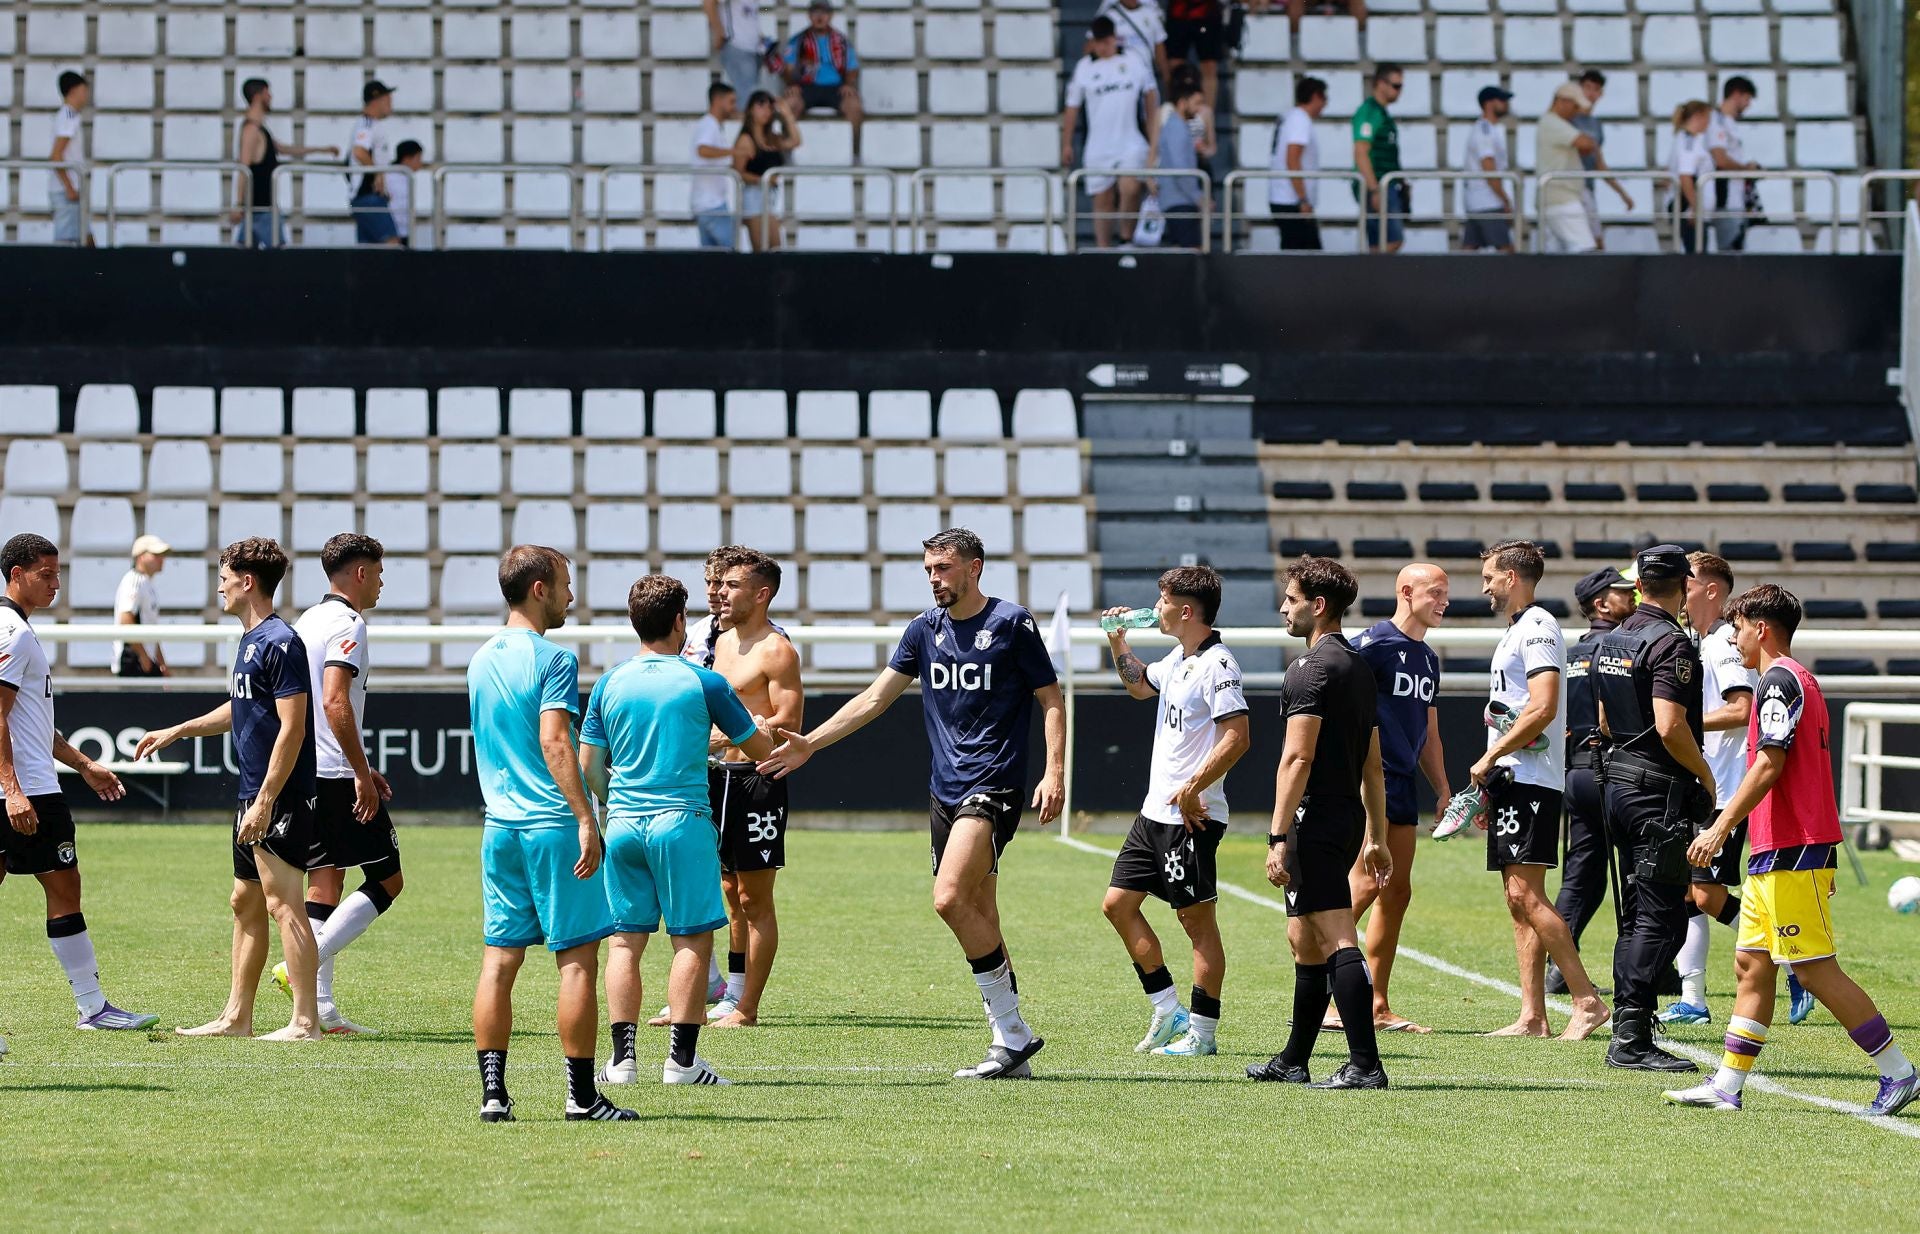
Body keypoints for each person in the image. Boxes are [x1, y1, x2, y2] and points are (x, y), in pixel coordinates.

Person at [758, 529, 1066, 1080]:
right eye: (928, 568)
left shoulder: (1012, 623)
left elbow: (1050, 698)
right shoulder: (924, 631)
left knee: (948, 898)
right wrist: (811, 744)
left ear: (975, 568)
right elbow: (874, 699)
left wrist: (1055, 770)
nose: (933, 577)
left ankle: (1013, 1031)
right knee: (980, 910)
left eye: (944, 567)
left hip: (993, 783)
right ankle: (1008, 1038)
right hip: (943, 788)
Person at [1665, 585, 1920, 1116]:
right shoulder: (1786, 680)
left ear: (1761, 626)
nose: (1733, 638)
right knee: (1751, 966)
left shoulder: (1780, 680)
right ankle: (1728, 1087)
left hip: (1795, 848)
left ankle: (1899, 1072)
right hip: (1774, 848)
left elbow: (1769, 762)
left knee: (1813, 970)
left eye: (1738, 627)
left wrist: (1719, 827)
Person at [582, 575, 779, 1087]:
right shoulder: (705, 681)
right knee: (691, 940)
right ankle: (682, 1063)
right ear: (678, 622)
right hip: (681, 821)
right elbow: (757, 752)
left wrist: (613, 801)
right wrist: (743, 735)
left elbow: (589, 764)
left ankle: (622, 1062)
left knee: (624, 944)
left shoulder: (610, 682)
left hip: (623, 822)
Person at [462, 545, 632, 1122]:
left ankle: (493, 1095)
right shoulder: (552, 660)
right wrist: (587, 818)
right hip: (552, 828)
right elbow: (555, 742)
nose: (571, 596)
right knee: (578, 962)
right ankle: (582, 1097)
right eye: (565, 584)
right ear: (539, 589)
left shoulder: (479, 659)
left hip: (499, 829)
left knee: (499, 962)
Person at [134, 538, 323, 1042]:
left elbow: (293, 727)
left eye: (224, 578)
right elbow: (241, 708)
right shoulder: (250, 639)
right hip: (252, 791)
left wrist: (264, 800)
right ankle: (237, 1018)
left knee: (285, 904)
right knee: (245, 901)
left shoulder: (282, 641)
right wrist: (179, 729)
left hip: (276, 794)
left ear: (248, 581)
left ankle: (306, 1022)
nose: (218, 586)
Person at [1244, 556, 1391, 1090]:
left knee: (1334, 938)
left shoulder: (1309, 669)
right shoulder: (1358, 667)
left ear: (1318, 605)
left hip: (1317, 820)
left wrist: (1279, 835)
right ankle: (1294, 1059)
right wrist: (1375, 835)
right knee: (1303, 940)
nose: (1285, 608)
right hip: (1346, 817)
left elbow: (1296, 759)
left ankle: (1366, 1066)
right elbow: (1373, 763)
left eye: (1291, 599)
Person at [0, 533, 155, 1033]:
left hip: (24, 785)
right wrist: (14, 789)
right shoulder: (12, 632)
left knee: (61, 887)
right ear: (16, 574)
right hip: (27, 793)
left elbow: (31, 724)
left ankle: (94, 1007)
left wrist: (85, 764)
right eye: (46, 574)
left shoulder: (17, 629)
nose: (56, 583)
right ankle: (93, 1007)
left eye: (58, 572)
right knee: (65, 887)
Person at [1100, 567, 1250, 1059]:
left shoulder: (1219, 664)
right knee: (1118, 905)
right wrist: (1118, 642)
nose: (1156, 606)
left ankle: (1202, 1035)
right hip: (1154, 814)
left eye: (1162, 599)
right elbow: (1141, 686)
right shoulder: (1179, 658)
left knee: (1196, 923)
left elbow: (1238, 737)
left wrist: (1192, 789)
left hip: (1193, 817)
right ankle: (1168, 1009)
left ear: (1186, 611)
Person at [1661, 552, 1815, 1027]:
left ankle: (1790, 962)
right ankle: (1693, 997)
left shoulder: (1726, 647)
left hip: (1726, 787)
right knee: (1690, 894)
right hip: (1705, 784)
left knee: (1705, 894)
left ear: (1710, 589)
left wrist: (1680, 725)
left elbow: (1741, 708)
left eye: (1686, 583)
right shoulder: (1705, 640)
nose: (1679, 592)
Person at [1472, 540, 1611, 1040]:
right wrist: (1494, 775)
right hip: (1514, 778)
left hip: (1532, 779)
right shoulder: (1517, 630)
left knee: (1526, 894)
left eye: (1489, 575)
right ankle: (1532, 1015)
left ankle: (1587, 999)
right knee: (1517, 897)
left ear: (1511, 576)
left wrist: (1490, 755)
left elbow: (1544, 705)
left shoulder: (1537, 627)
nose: (1484, 585)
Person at [273, 534, 400, 1037]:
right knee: (389, 880)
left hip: (308, 769)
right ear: (361, 573)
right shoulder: (349, 623)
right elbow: (334, 701)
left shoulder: (306, 620)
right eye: (380, 571)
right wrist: (360, 771)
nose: (383, 582)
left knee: (326, 882)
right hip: (334, 774)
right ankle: (302, 966)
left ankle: (320, 1008)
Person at [1594, 544, 1713, 1073]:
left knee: (1634, 911)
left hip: (1615, 784)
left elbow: (1602, 720)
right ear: (1684, 586)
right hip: (1656, 791)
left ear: (1640, 583)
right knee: (1661, 918)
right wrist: (1705, 775)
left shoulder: (1611, 639)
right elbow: (1669, 724)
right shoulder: (1672, 643)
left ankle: (1629, 1025)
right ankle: (1632, 1035)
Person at [1343, 563, 1450, 1034]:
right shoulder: (1371, 646)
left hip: (1403, 782)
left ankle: (1376, 1004)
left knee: (1396, 891)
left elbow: (1427, 728)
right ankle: (1319, 982)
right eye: (1436, 592)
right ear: (1406, 592)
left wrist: (1443, 787)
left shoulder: (1427, 657)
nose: (1445, 600)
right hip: (1372, 780)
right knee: (1367, 884)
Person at [1544, 567, 1639, 995]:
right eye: (1623, 593)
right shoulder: (1619, 649)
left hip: (1575, 773)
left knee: (1583, 874)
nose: (1633, 597)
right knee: (1636, 869)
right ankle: (1644, 968)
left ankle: (1558, 965)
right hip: (1614, 772)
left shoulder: (1570, 654)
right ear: (1601, 603)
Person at [1063, 17, 1160, 250]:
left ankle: (1126, 239)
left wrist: (1153, 139)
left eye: (1107, 41)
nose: (1103, 47)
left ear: (1114, 38)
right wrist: (1066, 143)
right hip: (1098, 144)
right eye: (1099, 43)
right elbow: (1072, 108)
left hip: (1130, 140)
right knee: (1102, 198)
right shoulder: (1085, 67)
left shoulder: (1134, 60)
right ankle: (1103, 248)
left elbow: (1150, 96)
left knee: (1131, 187)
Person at [233, 78, 338, 250]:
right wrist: (237, 205)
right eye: (268, 93)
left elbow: (283, 148)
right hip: (261, 209)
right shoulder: (251, 129)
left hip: (259, 209)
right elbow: (244, 168)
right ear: (258, 96)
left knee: (246, 258)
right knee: (278, 257)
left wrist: (321, 149)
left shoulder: (259, 128)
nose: (271, 97)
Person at [782, 1, 862, 156]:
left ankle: (854, 151)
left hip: (836, 87)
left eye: (823, 13)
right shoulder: (798, 41)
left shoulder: (842, 41)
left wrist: (848, 84)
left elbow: (852, 69)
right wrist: (791, 84)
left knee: (855, 106)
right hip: (806, 87)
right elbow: (788, 69)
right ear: (809, 16)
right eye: (815, 13)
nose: (819, 17)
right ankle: (786, 152)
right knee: (789, 105)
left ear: (830, 16)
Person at [1572, 70, 1634, 250]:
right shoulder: (1567, 119)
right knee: (1589, 244)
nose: (1590, 93)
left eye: (1595, 89)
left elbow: (1599, 163)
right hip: (1570, 187)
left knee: (1596, 244)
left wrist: (1621, 192)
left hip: (1587, 189)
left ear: (1601, 94)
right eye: (1587, 87)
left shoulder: (1595, 125)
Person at [733, 91, 801, 253]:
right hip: (754, 196)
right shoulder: (746, 139)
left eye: (770, 108)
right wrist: (762, 180)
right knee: (761, 250)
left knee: (776, 249)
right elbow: (737, 172)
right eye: (760, 106)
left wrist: (787, 114)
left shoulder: (772, 138)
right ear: (750, 109)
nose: (766, 111)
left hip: (770, 197)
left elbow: (795, 141)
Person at [1538, 83, 1600, 254]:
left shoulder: (1551, 122)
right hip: (1562, 200)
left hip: (1555, 199)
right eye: (1575, 106)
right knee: (1584, 249)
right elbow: (1586, 143)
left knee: (1556, 259)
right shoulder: (1552, 122)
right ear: (1562, 101)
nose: (1577, 111)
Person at [1353, 64, 1404, 254]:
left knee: (1378, 244)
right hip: (1378, 184)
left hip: (1383, 184)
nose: (1399, 91)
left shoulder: (1380, 112)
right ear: (1381, 84)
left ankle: (1371, 280)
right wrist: (1375, 189)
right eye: (1396, 86)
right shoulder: (1370, 112)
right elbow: (1361, 151)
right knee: (1393, 240)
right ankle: (1366, 278)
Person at [1270, 76, 1326, 251]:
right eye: (1324, 98)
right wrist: (1302, 198)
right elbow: (1292, 159)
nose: (1325, 104)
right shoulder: (1300, 120)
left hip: (1283, 196)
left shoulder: (1289, 116)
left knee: (1295, 253)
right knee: (1306, 257)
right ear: (1316, 96)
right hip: (1291, 199)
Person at [1150, 82, 1208, 249]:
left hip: (1176, 199)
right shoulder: (1177, 128)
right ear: (1182, 103)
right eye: (1196, 103)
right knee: (1192, 252)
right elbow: (1180, 169)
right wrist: (1198, 197)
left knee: (1179, 252)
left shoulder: (1175, 126)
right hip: (1180, 200)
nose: (1199, 109)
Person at [1707, 76, 1761, 252]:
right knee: (1729, 254)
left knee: (1736, 252)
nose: (1748, 105)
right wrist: (1747, 169)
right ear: (1736, 95)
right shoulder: (1716, 121)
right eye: (1747, 99)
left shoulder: (1729, 123)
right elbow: (1720, 159)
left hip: (1736, 198)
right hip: (1725, 198)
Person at [1460, 87, 1514, 253]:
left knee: (1469, 249)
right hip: (1487, 201)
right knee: (1507, 250)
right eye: (1502, 100)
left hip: (1477, 200)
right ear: (1489, 104)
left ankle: (1452, 279)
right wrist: (1504, 199)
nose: (1506, 105)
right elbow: (1488, 167)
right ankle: (1518, 279)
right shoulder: (1485, 131)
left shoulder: (1484, 129)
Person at [349, 81, 401, 247]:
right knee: (392, 242)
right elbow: (359, 151)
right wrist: (377, 174)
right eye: (388, 99)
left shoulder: (369, 124)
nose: (391, 103)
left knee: (369, 252)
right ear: (376, 100)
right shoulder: (367, 124)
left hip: (367, 197)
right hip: (368, 196)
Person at [112, 534, 170, 678]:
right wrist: (144, 657)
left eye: (162, 555)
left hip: (146, 662)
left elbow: (151, 628)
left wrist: (161, 662)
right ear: (141, 556)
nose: (162, 559)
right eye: (156, 554)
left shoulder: (147, 583)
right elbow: (126, 619)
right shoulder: (133, 581)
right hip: (134, 662)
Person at [693, 82, 741, 251]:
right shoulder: (709, 124)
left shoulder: (712, 125)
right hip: (712, 204)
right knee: (729, 252)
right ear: (718, 100)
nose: (733, 107)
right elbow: (703, 149)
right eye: (731, 101)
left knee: (711, 257)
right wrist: (734, 152)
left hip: (706, 202)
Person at [47, 72, 89, 247]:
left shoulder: (65, 115)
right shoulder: (68, 117)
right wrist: (69, 187)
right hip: (66, 190)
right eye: (84, 91)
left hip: (69, 188)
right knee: (65, 241)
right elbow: (56, 155)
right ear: (74, 90)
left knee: (85, 235)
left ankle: (99, 270)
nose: (86, 96)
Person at [1667, 101, 1714, 254]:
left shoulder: (1684, 139)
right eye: (1708, 118)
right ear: (1698, 116)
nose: (1709, 123)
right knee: (1695, 259)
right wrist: (1695, 208)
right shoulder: (1689, 142)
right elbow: (1685, 176)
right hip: (1689, 211)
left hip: (1689, 209)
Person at [1095, 0, 1170, 94]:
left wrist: (1168, 82)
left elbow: (1160, 54)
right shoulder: (1109, 16)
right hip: (1119, 80)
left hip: (1147, 78)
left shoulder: (1151, 14)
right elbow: (1094, 46)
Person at [1164, 0, 1226, 112]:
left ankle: (1206, 116)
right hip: (1178, 12)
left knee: (1209, 65)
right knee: (1175, 67)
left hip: (1207, 13)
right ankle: (1176, 111)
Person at [706, 0, 770, 100]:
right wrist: (719, 32)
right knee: (747, 96)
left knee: (752, 96)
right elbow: (708, 2)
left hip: (755, 50)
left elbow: (754, 12)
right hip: (737, 46)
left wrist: (760, 36)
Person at [387, 141, 424, 248]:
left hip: (406, 230)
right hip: (395, 233)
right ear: (407, 158)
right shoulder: (390, 176)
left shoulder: (407, 177)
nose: (420, 163)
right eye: (418, 158)